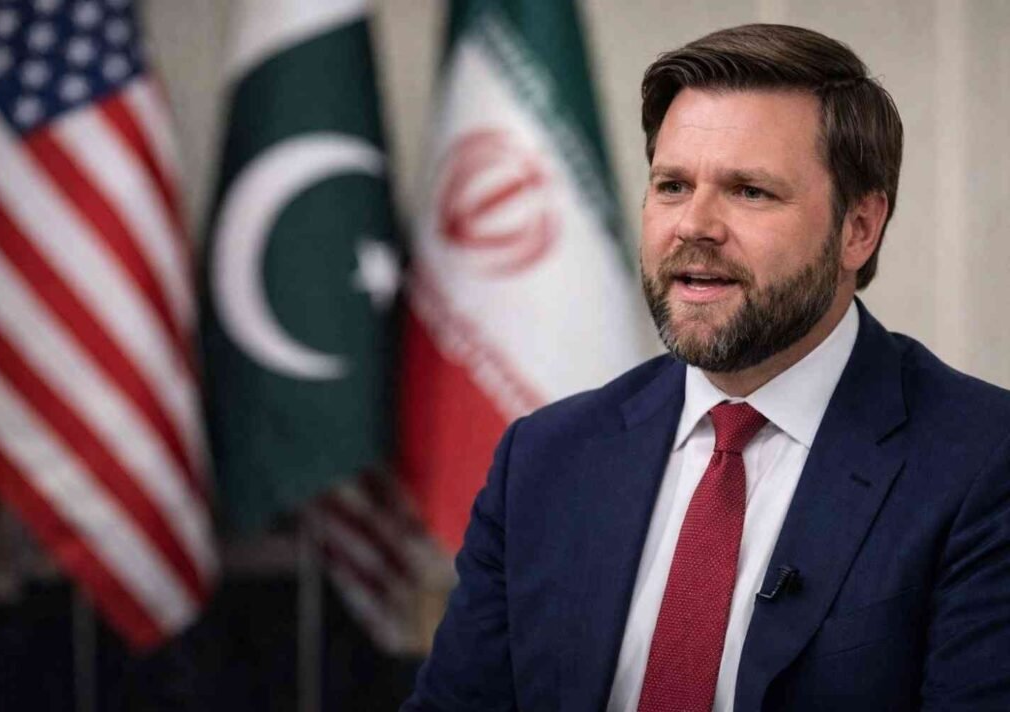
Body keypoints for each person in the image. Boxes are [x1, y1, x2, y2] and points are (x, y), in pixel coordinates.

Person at [402, 23, 1010, 712]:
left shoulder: (983, 463)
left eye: (749, 191)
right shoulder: (543, 460)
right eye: (671, 185)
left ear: (858, 229)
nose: (694, 225)